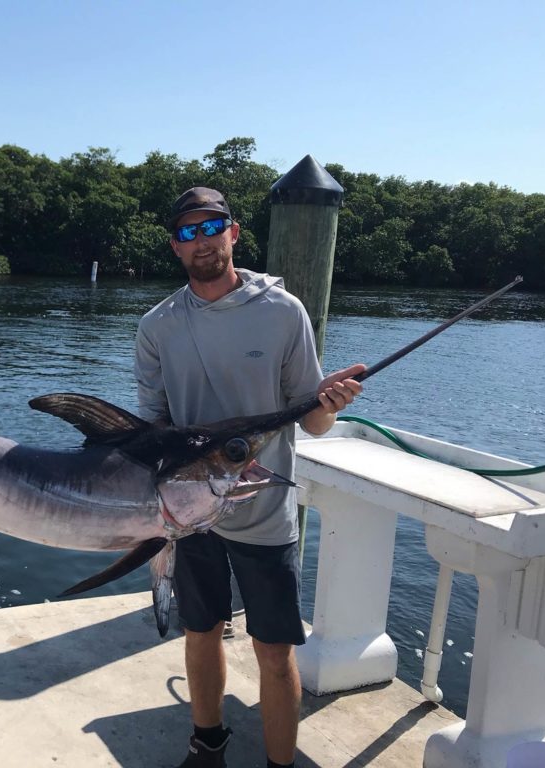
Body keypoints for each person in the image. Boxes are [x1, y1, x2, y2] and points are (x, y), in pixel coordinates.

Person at [135, 187, 364, 768]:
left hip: (263, 515)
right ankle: (207, 743)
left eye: (212, 226)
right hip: (190, 517)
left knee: (273, 649)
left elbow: (310, 421)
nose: (202, 240)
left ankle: (279, 764)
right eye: (187, 232)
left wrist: (329, 402)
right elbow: (150, 433)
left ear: (234, 233)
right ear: (174, 247)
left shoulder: (283, 313)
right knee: (201, 630)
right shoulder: (156, 327)